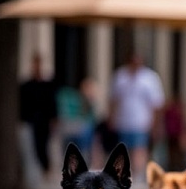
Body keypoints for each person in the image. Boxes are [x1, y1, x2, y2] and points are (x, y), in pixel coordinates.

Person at [109, 52, 164, 181]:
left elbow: (156, 103)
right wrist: (111, 117)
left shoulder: (150, 78)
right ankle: (126, 173)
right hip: (123, 121)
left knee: (139, 149)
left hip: (142, 121)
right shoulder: (120, 76)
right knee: (124, 150)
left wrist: (156, 124)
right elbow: (113, 99)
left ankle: (138, 174)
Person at [18, 53, 59, 179]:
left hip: (44, 120)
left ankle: (46, 169)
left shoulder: (48, 85)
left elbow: (52, 104)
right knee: (33, 146)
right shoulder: (27, 85)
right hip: (31, 120)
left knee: (43, 145)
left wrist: (54, 119)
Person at [57, 77, 98, 161]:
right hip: (73, 131)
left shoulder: (89, 102)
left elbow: (92, 119)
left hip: (82, 134)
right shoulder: (74, 99)